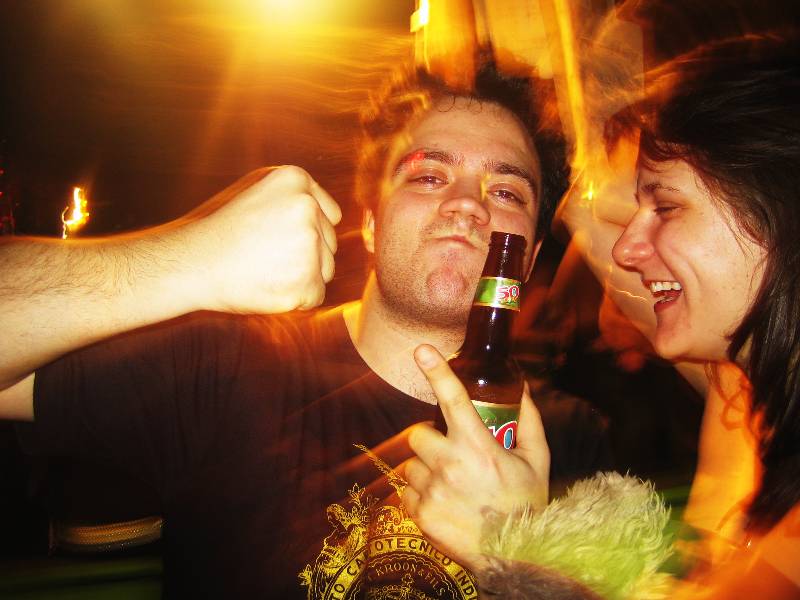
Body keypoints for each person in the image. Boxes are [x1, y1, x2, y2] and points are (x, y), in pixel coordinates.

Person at [0, 61, 613, 598]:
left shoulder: (572, 441)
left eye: (505, 191)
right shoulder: (229, 367)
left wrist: (521, 565)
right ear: (370, 223)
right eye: (429, 176)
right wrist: (186, 259)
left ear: (530, 258)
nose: (469, 205)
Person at [405, 32, 800, 598]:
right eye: (428, 177)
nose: (625, 250)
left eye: (666, 206)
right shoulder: (747, 396)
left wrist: (509, 550)